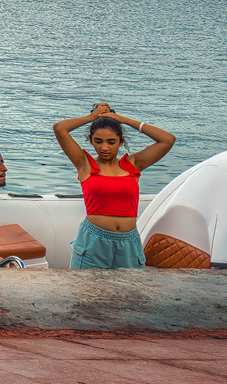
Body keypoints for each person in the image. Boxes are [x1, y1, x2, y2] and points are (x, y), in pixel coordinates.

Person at [53, 103, 175, 269]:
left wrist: (123, 120)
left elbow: (167, 140)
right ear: (90, 141)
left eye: (111, 142)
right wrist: (91, 117)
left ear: (120, 141)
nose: (104, 148)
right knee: (86, 293)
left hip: (128, 243)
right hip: (93, 241)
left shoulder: (133, 164)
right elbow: (60, 128)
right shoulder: (84, 164)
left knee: (128, 294)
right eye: (98, 141)